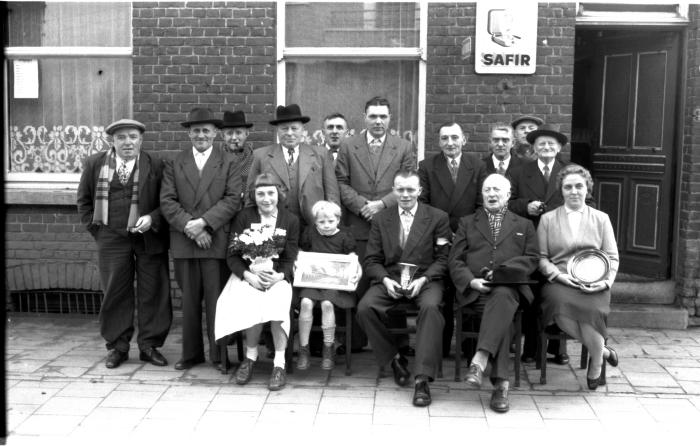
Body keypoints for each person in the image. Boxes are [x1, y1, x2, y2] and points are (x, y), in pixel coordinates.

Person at [77, 119, 171, 369]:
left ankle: (149, 346)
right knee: (115, 291)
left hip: (149, 238)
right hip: (111, 238)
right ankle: (118, 347)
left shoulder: (157, 164)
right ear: (112, 141)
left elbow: (169, 201)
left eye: (132, 137)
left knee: (154, 291)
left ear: (141, 139)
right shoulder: (95, 164)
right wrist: (97, 231)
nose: (127, 142)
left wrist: (153, 218)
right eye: (121, 138)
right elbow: (84, 201)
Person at [357, 170, 451, 408]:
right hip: (391, 278)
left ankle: (422, 379)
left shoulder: (437, 217)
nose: (406, 194)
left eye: (411, 190)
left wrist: (426, 279)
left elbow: (443, 258)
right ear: (393, 190)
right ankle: (395, 358)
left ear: (419, 191)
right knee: (365, 308)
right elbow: (372, 260)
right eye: (400, 189)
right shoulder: (381, 219)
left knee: (430, 309)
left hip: (425, 279)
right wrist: (386, 281)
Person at [448, 174, 538, 413]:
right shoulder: (467, 223)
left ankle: (479, 359)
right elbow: (455, 260)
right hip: (476, 291)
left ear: (508, 195)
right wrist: (472, 282)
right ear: (482, 194)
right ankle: (501, 385)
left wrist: (500, 273)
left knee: (503, 294)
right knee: (503, 313)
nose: (491, 194)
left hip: (509, 288)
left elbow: (531, 259)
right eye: (487, 190)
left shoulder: (524, 224)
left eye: (497, 189)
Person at [160, 108, 242, 371]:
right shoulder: (175, 162)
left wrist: (205, 224)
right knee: (190, 301)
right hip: (185, 241)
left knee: (216, 301)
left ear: (215, 133)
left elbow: (232, 200)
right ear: (189, 133)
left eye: (206, 130)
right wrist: (190, 227)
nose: (201, 135)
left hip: (215, 240)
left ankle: (219, 356)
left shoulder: (228, 161)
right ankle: (191, 354)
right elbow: (167, 201)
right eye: (196, 130)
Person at [336, 96, 416, 355]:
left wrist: (381, 204)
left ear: (390, 119)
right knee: (358, 283)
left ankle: (399, 343)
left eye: (383, 116)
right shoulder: (349, 146)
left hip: (392, 224)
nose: (378, 121)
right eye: (373, 116)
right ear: (364, 117)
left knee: (393, 279)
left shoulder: (403, 147)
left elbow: (408, 180)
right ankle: (356, 341)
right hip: (357, 224)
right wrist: (363, 206)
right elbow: (340, 182)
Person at [214, 173, 300, 391]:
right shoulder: (244, 217)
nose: (266, 199)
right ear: (254, 195)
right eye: (260, 194)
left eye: (271, 193)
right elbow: (232, 255)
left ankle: (279, 364)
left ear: (278, 194)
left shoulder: (290, 220)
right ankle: (250, 357)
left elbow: (290, 256)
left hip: (277, 276)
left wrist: (280, 276)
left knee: (278, 301)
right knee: (250, 300)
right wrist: (249, 276)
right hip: (248, 275)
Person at [538, 164, 620, 390]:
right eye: (568, 187)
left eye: (579, 186)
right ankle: (601, 352)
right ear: (561, 190)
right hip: (560, 281)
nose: (574, 191)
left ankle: (595, 362)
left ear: (587, 189)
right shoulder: (547, 219)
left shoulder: (601, 219)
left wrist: (605, 282)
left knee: (592, 312)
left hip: (595, 281)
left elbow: (612, 257)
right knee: (558, 306)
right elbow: (542, 258)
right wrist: (559, 276)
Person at [509, 123, 583, 364]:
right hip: (530, 239)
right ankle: (531, 348)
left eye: (551, 143)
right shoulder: (520, 171)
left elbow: (585, 200)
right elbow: (508, 203)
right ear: (534, 148)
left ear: (559, 147)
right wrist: (526, 206)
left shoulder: (570, 172)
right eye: (541, 144)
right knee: (533, 292)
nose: (546, 147)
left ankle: (557, 347)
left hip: (562, 241)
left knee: (560, 290)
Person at [417, 122, 487, 356]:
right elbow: (423, 203)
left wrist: (465, 232)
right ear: (438, 142)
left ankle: (468, 349)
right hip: (438, 238)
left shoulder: (477, 166)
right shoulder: (426, 166)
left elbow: (481, 203)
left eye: (454, 137)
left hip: (469, 238)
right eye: (444, 138)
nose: (450, 143)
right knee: (441, 290)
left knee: (467, 287)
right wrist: (443, 232)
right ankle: (441, 346)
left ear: (464, 139)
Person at [246, 104, 339, 231]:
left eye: (294, 128)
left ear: (302, 130)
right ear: (277, 131)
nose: (290, 133)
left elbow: (332, 194)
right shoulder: (260, 156)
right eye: (284, 129)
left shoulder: (321, 155)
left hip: (314, 226)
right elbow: (250, 195)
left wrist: (331, 226)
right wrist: (255, 227)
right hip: (273, 227)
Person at [296, 200, 358, 371]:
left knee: (327, 304)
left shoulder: (345, 236)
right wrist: (299, 260)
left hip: (335, 284)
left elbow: (352, 257)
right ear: (315, 221)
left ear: (338, 220)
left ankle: (328, 348)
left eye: (330, 221)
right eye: (321, 222)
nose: (326, 225)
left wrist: (354, 267)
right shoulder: (309, 233)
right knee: (306, 303)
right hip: (313, 280)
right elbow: (301, 251)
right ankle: (304, 348)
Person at [219, 110, 254, 200]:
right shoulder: (215, 159)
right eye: (229, 133)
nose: (234, 138)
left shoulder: (255, 159)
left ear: (247, 134)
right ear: (222, 136)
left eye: (238, 133)